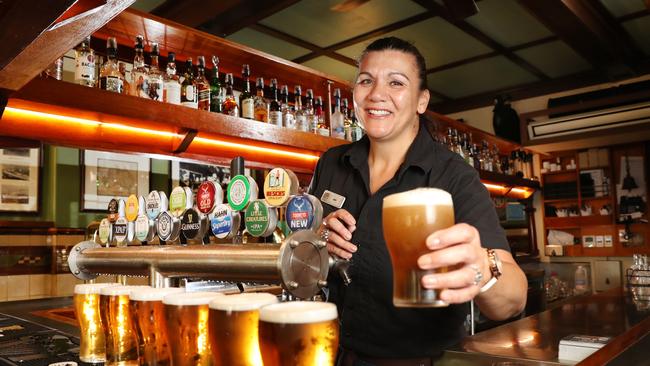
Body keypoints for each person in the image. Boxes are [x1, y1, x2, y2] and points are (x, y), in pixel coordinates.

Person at [309, 37, 528, 365]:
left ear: (421, 100)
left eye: (396, 82)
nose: (376, 94)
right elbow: (304, 253)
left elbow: (513, 299)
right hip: (330, 353)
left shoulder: (453, 176)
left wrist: (483, 267)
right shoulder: (332, 162)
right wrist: (317, 239)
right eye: (366, 80)